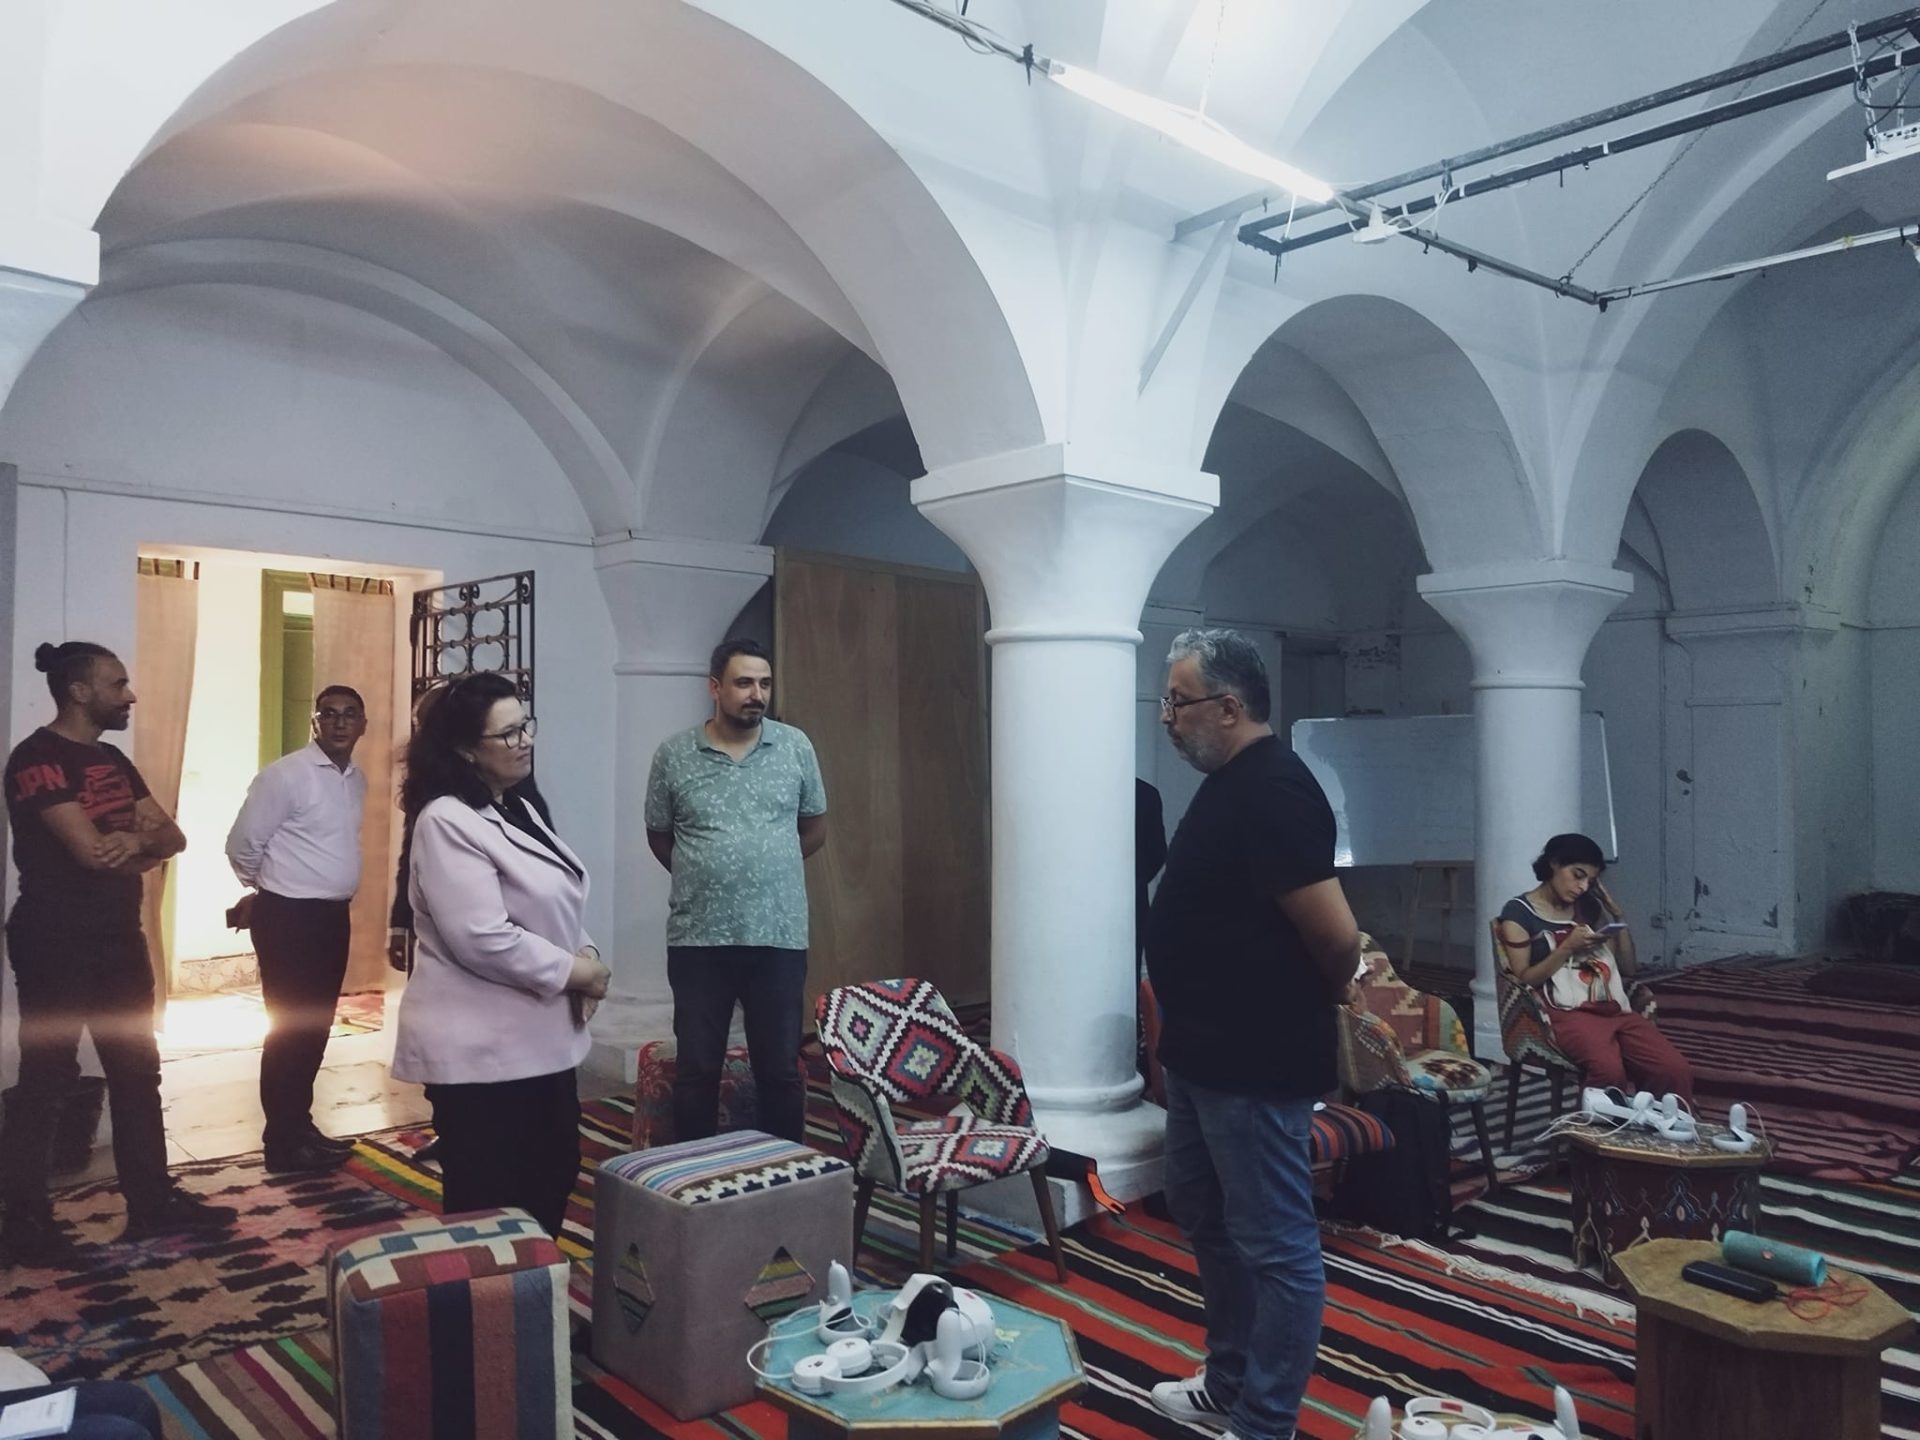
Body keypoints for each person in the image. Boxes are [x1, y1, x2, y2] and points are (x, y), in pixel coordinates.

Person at [1145, 629, 1359, 1440]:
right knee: (1204, 1215)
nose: (1167, 717)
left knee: (1277, 1246)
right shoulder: (1230, 783)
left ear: (1229, 707)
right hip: (1202, 1054)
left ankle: (1265, 1422)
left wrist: (1302, 1000)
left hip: (1256, 1061)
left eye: (1178, 701)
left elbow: (1337, 939)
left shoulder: (1275, 789)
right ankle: (1229, 1379)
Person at [1, 642, 236, 1265]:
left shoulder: (113, 760)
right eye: (117, 684)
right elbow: (88, 852)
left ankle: (152, 1201)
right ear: (79, 691)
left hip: (117, 937)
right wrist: (139, 843)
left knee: (137, 1070)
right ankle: (23, 1222)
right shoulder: (37, 758)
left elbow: (173, 836)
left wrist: (135, 842)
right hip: (54, 940)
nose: (129, 695)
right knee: (47, 1079)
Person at [390, 673, 610, 1236]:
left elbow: (553, 901)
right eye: (508, 733)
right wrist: (577, 972)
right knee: (490, 1203)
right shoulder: (445, 820)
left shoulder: (516, 807)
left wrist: (584, 947)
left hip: (537, 1041)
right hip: (481, 1052)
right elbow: (483, 937)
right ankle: (493, 1292)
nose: (525, 741)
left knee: (553, 1172)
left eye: (525, 726)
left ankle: (532, 1285)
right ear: (466, 749)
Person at [644, 638, 827, 1145]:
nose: (757, 694)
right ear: (715, 688)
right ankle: (695, 1174)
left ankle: (782, 1170)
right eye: (744, 683)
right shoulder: (675, 754)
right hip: (700, 937)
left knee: (781, 1069)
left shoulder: (794, 747)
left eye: (764, 683)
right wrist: (704, 872)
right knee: (698, 1069)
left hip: (778, 934)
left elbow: (814, 827)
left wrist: (768, 868)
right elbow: (660, 835)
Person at [224, 684, 369, 1173]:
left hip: (331, 917)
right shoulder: (285, 776)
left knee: (316, 1027)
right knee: (289, 1030)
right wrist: (267, 889)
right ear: (315, 722)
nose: (339, 722)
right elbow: (242, 844)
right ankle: (281, 1143)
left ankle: (299, 1127)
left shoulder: (356, 780)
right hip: (289, 918)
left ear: (363, 724)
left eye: (349, 714)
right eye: (329, 713)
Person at [1497, 833, 1692, 1102]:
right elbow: (1524, 979)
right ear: (1554, 863)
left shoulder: (1588, 908)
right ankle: (1599, 1129)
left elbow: (1628, 968)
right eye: (1577, 875)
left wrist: (1617, 914)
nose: (1582, 887)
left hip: (1610, 1003)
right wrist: (1567, 947)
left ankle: (1659, 1125)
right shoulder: (1519, 912)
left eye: (1590, 881)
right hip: (1559, 1010)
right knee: (1608, 1071)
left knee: (1672, 1068)